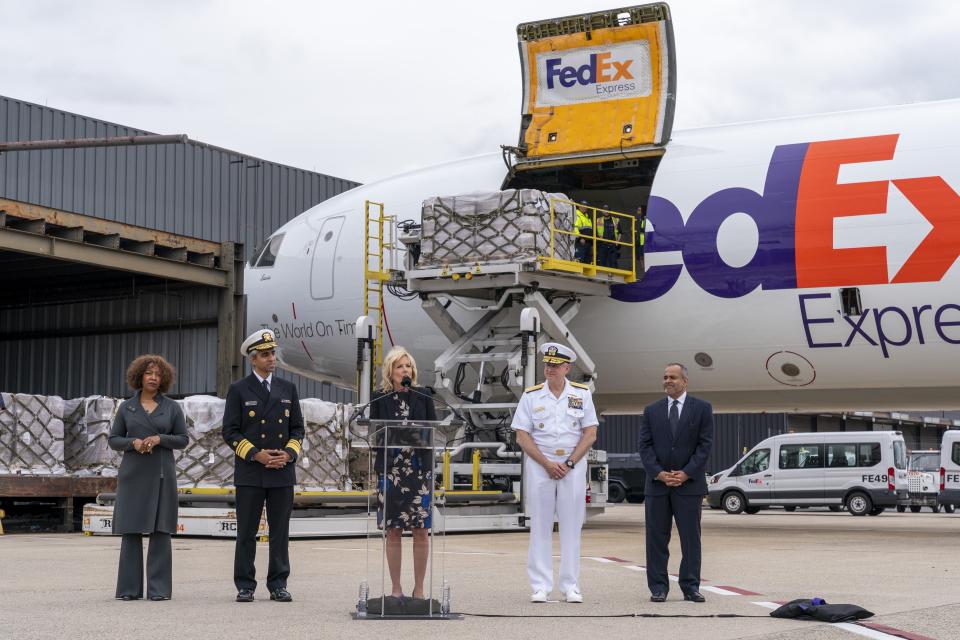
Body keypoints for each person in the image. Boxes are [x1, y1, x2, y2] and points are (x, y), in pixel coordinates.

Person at [511, 343, 598, 604]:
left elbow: (590, 433)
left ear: (567, 368)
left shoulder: (582, 394)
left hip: (572, 468)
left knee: (572, 527)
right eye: (547, 364)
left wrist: (569, 463)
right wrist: (547, 464)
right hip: (541, 467)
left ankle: (571, 586)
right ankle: (540, 586)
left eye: (554, 365)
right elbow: (522, 436)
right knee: (540, 526)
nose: (549, 368)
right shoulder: (531, 395)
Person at [222, 330, 304, 603]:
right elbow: (230, 431)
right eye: (266, 355)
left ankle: (278, 583)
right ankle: (245, 584)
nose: (272, 359)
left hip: (282, 471)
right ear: (253, 359)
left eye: (272, 354)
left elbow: (298, 430)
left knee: (280, 532)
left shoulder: (287, 389)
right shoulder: (239, 390)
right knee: (246, 532)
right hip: (251, 471)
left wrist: (289, 455)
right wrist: (255, 454)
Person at [108, 354, 189, 601]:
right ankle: (128, 590)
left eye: (158, 374)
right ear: (139, 377)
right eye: (149, 373)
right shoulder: (127, 407)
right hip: (133, 475)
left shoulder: (172, 408)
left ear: (163, 379)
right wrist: (133, 442)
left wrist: (160, 439)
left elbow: (183, 439)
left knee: (161, 531)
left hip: (162, 475)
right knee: (131, 531)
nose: (154, 378)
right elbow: (114, 440)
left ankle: (159, 590)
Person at [637, 363, 714, 603]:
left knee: (691, 539)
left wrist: (686, 473)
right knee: (656, 539)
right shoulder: (652, 410)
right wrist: (659, 473)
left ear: (685, 381)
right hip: (658, 486)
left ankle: (690, 586)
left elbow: (705, 445)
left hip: (689, 486)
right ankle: (658, 587)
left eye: (672, 377)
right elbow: (645, 447)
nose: (667, 381)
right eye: (664, 377)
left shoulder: (702, 408)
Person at [368, 346, 437, 599]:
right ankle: (395, 589)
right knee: (393, 530)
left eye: (408, 366)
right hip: (391, 470)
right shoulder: (379, 398)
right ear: (390, 371)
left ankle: (419, 589)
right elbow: (374, 435)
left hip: (419, 472)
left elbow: (433, 430)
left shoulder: (424, 396)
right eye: (399, 366)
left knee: (421, 530)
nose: (405, 370)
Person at [596, 204, 621, 269]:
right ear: (602, 211)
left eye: (607, 210)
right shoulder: (598, 220)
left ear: (610, 211)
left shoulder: (615, 220)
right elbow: (595, 233)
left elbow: (620, 232)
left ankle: (613, 277)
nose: (606, 212)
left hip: (612, 245)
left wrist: (617, 242)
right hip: (602, 244)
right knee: (602, 263)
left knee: (613, 263)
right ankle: (602, 278)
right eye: (604, 210)